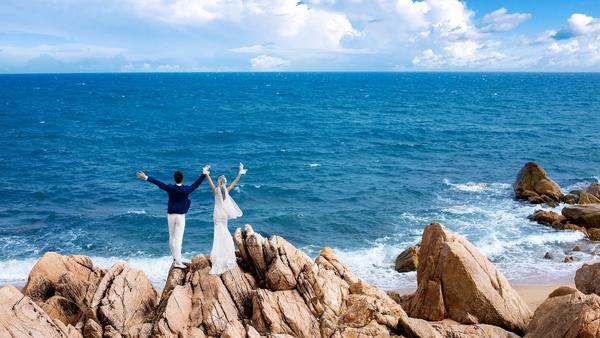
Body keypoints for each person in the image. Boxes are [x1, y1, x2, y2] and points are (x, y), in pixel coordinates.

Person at [135, 166, 209, 268]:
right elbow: (196, 185)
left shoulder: (170, 188)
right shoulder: (186, 189)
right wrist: (203, 174)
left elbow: (159, 184)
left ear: (174, 179)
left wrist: (146, 177)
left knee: (172, 237)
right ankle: (178, 262)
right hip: (180, 217)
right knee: (178, 240)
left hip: (170, 216)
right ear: (182, 179)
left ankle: (175, 258)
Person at [204, 163, 246, 274]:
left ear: (218, 182)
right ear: (225, 182)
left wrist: (206, 172)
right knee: (225, 232)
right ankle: (227, 254)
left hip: (217, 214)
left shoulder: (216, 191)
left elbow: (209, 181)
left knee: (217, 234)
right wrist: (240, 172)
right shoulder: (226, 191)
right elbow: (235, 181)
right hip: (224, 215)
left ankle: (218, 256)